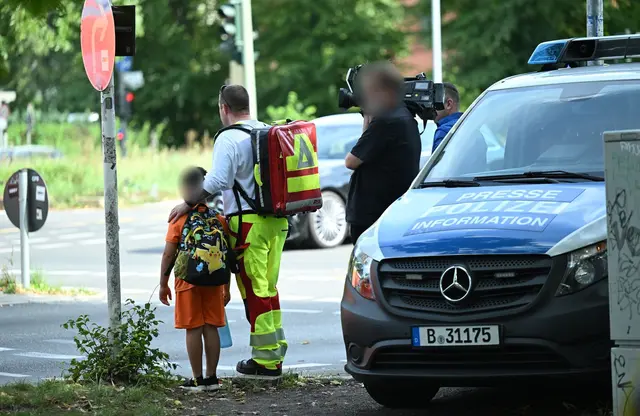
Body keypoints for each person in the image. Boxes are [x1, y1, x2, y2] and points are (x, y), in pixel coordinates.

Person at [168, 85, 288, 379]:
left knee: (255, 292)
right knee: (269, 290)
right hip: (277, 221)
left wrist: (188, 203)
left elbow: (219, 179)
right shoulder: (265, 130)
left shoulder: (229, 138)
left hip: (249, 226)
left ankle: (266, 363)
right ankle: (274, 354)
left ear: (224, 107)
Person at [160, 166, 230, 391]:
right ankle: (212, 378)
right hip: (214, 282)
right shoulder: (219, 219)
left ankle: (197, 378)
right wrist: (226, 288)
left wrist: (163, 283)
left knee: (194, 328)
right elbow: (225, 256)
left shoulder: (178, 220)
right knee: (211, 327)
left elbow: (169, 254)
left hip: (187, 282)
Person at [344, 61, 422, 244]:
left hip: (374, 215)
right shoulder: (403, 115)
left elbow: (351, 161)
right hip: (390, 211)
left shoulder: (387, 121)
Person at [432, 82, 463, 152]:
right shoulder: (473, 127)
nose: (430, 107)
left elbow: (439, 163)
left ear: (448, 104)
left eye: (434, 103)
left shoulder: (444, 132)